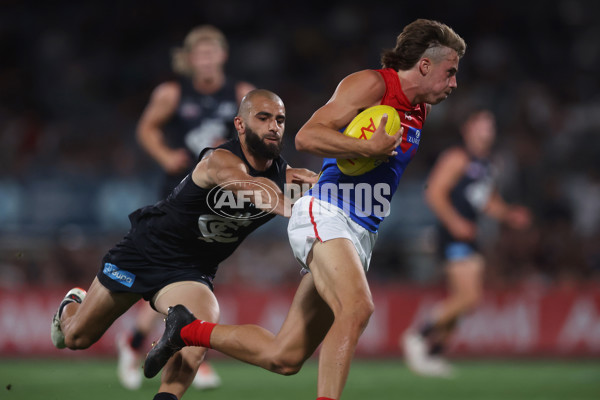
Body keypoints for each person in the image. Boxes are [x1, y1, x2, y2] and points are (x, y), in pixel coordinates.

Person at [143, 19, 466, 400]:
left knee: (285, 356)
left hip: (361, 229)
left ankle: (185, 330)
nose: (454, 83)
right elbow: (308, 135)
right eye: (450, 72)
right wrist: (367, 148)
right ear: (425, 66)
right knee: (357, 308)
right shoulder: (372, 84)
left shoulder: (418, 109)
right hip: (326, 212)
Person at [51, 89, 317, 400]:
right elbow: (248, 186)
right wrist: (294, 207)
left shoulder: (289, 178)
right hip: (143, 252)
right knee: (76, 338)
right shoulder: (219, 160)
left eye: (280, 120)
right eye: (264, 117)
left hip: (190, 271)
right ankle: (71, 303)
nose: (274, 126)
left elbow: (327, 186)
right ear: (240, 125)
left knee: (194, 338)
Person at [117, 24, 255, 390]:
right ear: (191, 60)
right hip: (178, 194)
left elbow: (252, 136)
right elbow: (147, 128)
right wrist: (165, 155)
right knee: (183, 272)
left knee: (195, 273)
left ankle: (149, 341)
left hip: (217, 198)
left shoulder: (241, 94)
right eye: (201, 54)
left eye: (213, 53)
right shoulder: (172, 92)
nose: (207, 60)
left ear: (222, 56)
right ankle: (177, 344)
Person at [402, 108, 532, 377]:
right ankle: (417, 336)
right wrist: (454, 223)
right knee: (469, 298)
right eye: (483, 123)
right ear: (468, 129)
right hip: (452, 235)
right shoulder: (457, 157)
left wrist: (508, 214)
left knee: (463, 299)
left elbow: (486, 201)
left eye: (491, 123)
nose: (489, 129)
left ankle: (432, 354)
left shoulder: (487, 164)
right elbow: (435, 193)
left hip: (469, 235)